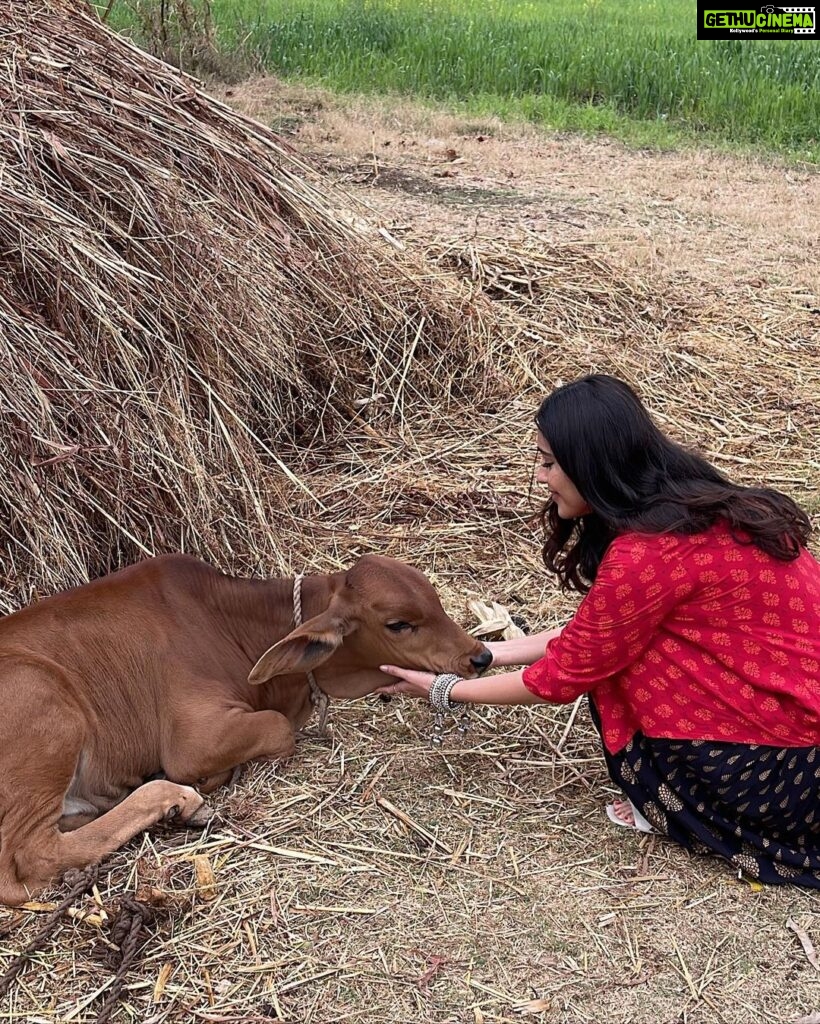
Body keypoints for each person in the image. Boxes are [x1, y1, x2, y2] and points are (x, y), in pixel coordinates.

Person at [377, 374, 820, 887]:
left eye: (548, 462)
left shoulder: (648, 553)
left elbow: (564, 676)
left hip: (786, 773)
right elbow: (598, 633)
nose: (540, 477)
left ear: (591, 466)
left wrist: (444, 689)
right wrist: (484, 654)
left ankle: (677, 806)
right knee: (633, 647)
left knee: (629, 663)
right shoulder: (705, 509)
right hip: (802, 730)